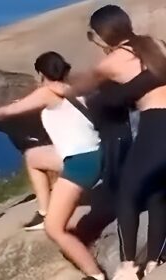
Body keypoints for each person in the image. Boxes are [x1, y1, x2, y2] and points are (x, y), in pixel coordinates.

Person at [0, 51, 105, 280]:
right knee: (33, 157)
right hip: (95, 154)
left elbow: (9, 112)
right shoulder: (73, 90)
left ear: (41, 73)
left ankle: (95, 275)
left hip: (81, 163)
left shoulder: (47, 92)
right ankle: (43, 211)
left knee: (56, 229)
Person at [66, 5, 166, 279]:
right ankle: (155, 261)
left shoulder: (109, 64)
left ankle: (129, 265)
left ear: (99, 37)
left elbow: (78, 88)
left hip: (157, 125)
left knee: (127, 193)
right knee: (158, 192)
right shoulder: (155, 44)